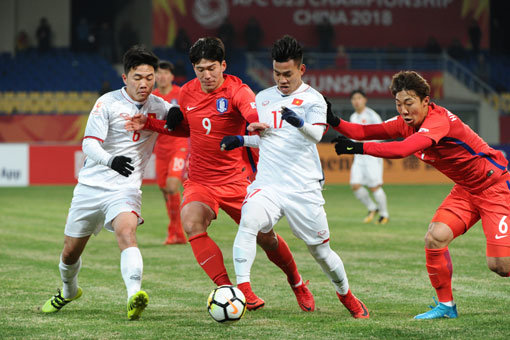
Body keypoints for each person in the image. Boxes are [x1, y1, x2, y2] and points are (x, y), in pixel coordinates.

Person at [124, 37, 314, 312]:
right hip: (201, 180)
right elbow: (188, 130)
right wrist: (152, 123)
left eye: (212, 68)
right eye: (200, 69)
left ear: (223, 65)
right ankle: (230, 290)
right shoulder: (187, 93)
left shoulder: (239, 90)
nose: (207, 75)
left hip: (237, 180)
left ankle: (297, 283)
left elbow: (251, 112)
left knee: (266, 238)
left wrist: (254, 123)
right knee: (191, 223)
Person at [327, 70, 510, 319]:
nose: (403, 110)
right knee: (435, 238)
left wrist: (358, 149)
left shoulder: (439, 120)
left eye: (409, 103)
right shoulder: (406, 123)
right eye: (398, 103)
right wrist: (334, 121)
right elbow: (365, 131)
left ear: (426, 101)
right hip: (466, 189)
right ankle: (446, 306)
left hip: (494, 187)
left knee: (500, 266)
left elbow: (403, 149)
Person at [221, 35, 369, 318]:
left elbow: (314, 136)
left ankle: (346, 295)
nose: (281, 79)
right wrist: (241, 140)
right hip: (268, 185)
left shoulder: (314, 100)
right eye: (276, 73)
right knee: (248, 222)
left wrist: (298, 121)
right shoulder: (263, 98)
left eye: (287, 74)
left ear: (301, 70)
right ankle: (242, 292)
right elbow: (269, 139)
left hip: (303, 188)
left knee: (321, 252)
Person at [41, 45, 175, 320]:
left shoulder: (158, 105)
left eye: (149, 77)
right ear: (125, 78)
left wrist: (175, 115)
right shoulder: (107, 103)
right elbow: (89, 144)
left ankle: (133, 296)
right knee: (69, 253)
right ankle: (68, 291)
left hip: (124, 189)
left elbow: (178, 115)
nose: (144, 83)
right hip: (91, 187)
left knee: (127, 233)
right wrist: (111, 161)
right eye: (138, 77)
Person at [152, 60, 188, 244]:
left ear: (172, 77)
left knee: (173, 186)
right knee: (164, 189)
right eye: (158, 73)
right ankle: (176, 232)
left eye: (165, 73)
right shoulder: (153, 97)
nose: (162, 76)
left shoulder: (181, 93)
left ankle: (177, 231)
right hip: (161, 148)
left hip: (179, 145)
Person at [347, 89, 389, 224]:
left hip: (371, 156)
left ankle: (384, 214)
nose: (356, 101)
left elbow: (382, 133)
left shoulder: (372, 115)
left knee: (374, 186)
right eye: (354, 99)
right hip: (359, 157)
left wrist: (366, 140)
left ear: (365, 100)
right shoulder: (353, 117)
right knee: (355, 185)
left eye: (359, 98)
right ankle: (372, 208)